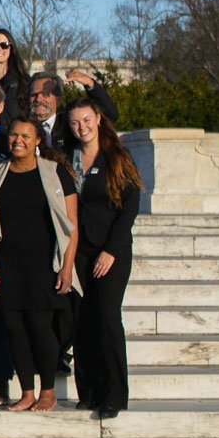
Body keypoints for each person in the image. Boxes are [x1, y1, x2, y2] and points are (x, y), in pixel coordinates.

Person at [0, 118, 79, 412]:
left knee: (40, 327)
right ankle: (26, 392)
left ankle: (47, 391)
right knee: (14, 328)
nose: (18, 140)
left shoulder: (54, 172)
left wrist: (66, 267)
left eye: (26, 135)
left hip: (43, 264)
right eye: (13, 134)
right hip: (6, 264)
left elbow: (71, 225)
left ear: (38, 140)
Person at [67, 99, 140, 419]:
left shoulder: (117, 156)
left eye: (86, 120)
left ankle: (114, 393)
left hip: (111, 249)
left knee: (107, 318)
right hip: (79, 249)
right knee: (82, 321)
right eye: (74, 122)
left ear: (98, 119)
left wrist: (111, 250)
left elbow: (130, 205)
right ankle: (89, 390)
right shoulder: (68, 158)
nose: (81, 127)